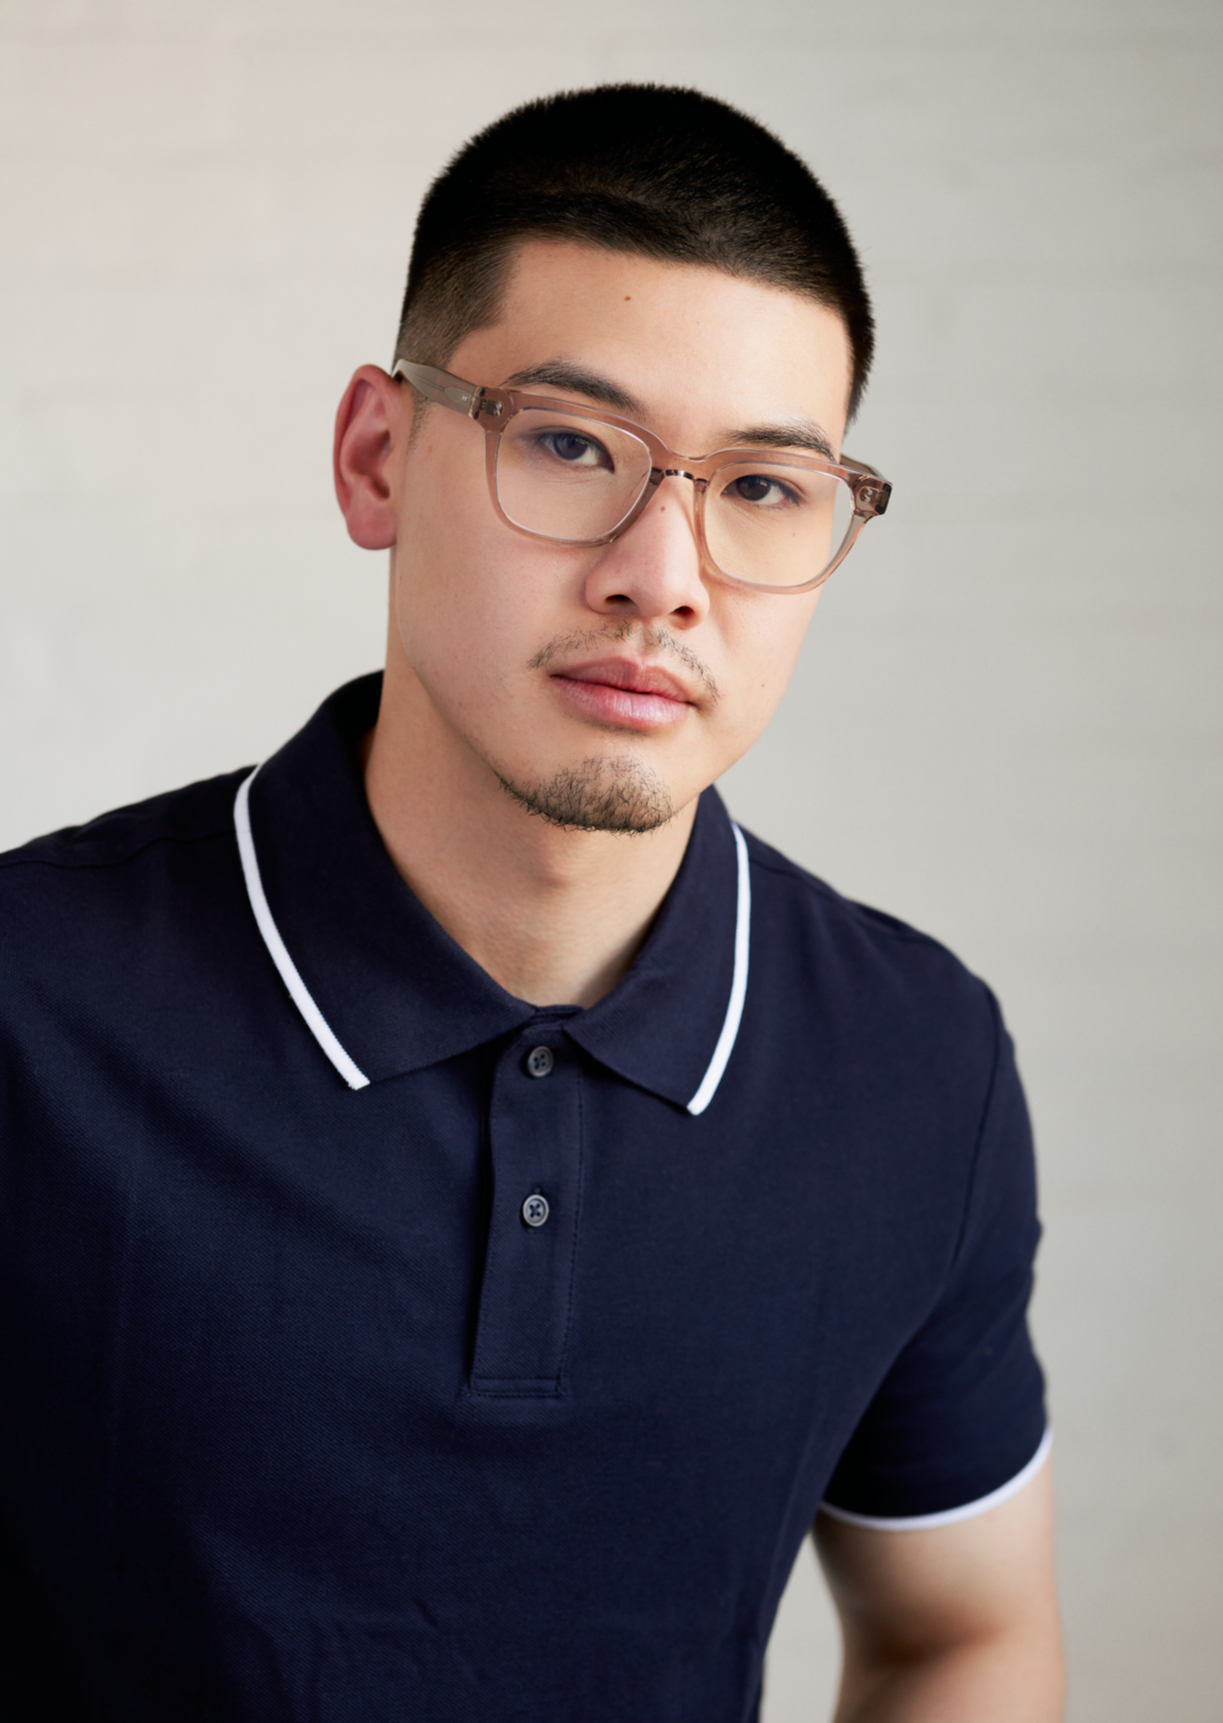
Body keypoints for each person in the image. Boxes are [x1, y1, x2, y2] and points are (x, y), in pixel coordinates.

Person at [0, 84, 1063, 1722]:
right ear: (377, 456)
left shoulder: (915, 1064)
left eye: (764, 485)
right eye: (570, 445)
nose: (664, 570)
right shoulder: (28, 1002)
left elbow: (957, 1631)